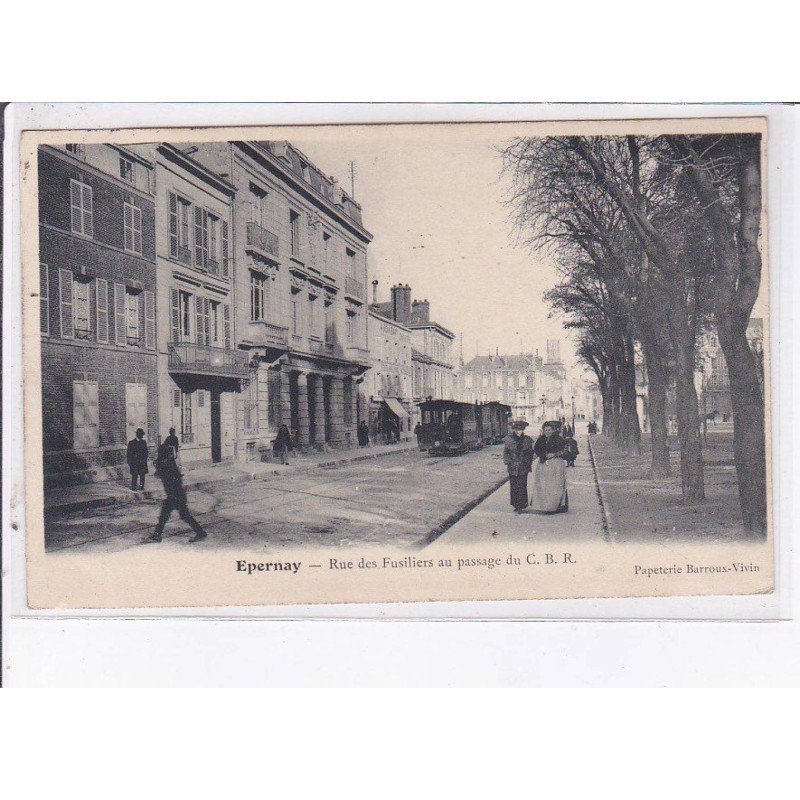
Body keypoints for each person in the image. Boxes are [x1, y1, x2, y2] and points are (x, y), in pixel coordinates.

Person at [143, 443, 207, 544]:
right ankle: (200, 532)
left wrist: (156, 465)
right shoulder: (169, 462)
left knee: (173, 515)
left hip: (174, 496)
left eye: (158, 453)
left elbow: (158, 473)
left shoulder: (165, 463)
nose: (157, 454)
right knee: (175, 515)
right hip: (177, 495)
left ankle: (157, 535)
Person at [531, 421, 568, 513]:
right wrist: (543, 455)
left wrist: (554, 454)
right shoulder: (540, 440)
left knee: (555, 485)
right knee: (543, 485)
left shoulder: (559, 439)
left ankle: (554, 506)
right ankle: (545, 506)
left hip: (556, 464)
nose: (547, 431)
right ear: (543, 430)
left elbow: (565, 451)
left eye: (549, 430)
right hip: (543, 463)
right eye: (545, 430)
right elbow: (536, 450)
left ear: (553, 430)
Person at [503, 418, 534, 513]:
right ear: (513, 430)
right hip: (512, 466)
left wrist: (527, 462)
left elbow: (530, 453)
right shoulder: (508, 439)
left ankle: (522, 505)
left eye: (520, 429)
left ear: (523, 430)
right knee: (514, 486)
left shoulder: (527, 440)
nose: (518, 431)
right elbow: (506, 452)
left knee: (522, 485)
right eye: (516, 429)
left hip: (523, 466)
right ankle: (516, 504)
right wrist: (509, 462)